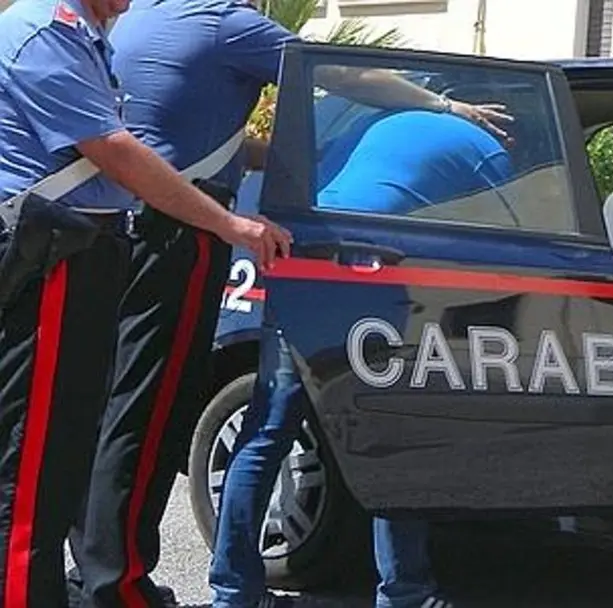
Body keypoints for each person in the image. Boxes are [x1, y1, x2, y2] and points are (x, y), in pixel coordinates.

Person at [62, 1, 512, 607]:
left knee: (160, 410)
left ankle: (196, 586)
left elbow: (201, 133)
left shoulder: (146, 16)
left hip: (132, 225)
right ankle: (118, 584)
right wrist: (448, 107)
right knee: (155, 412)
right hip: (189, 233)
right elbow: (339, 72)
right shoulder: (227, 22)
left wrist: (282, 156)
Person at [0, 0, 291, 606]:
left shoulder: (102, 30)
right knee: (48, 458)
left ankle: (81, 580)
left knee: (71, 437)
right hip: (69, 250)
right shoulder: (50, 31)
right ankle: (91, 585)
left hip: (97, 245)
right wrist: (232, 224)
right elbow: (115, 148)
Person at [213, 107, 514, 608]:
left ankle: (232, 591)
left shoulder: (372, 124)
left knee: (269, 428)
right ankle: (405, 592)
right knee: (390, 433)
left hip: (306, 260)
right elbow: (514, 234)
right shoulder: (489, 153)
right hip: (372, 275)